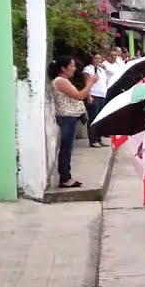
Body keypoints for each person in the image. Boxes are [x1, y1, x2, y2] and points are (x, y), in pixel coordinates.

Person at [49, 55, 95, 188]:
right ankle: (64, 177)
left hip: (69, 118)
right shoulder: (60, 81)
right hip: (66, 118)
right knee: (66, 149)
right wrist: (90, 83)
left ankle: (66, 176)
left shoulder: (64, 80)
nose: (74, 69)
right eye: (72, 66)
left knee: (67, 149)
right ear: (63, 68)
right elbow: (80, 95)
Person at [83, 53, 109, 147]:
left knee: (100, 118)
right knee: (93, 118)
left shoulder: (101, 69)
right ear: (92, 59)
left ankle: (99, 138)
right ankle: (93, 140)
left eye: (99, 58)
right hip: (94, 95)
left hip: (102, 95)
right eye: (96, 58)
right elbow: (87, 83)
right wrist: (88, 96)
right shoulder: (88, 69)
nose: (98, 60)